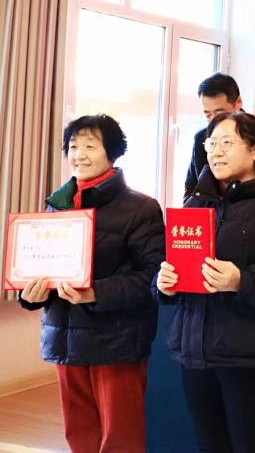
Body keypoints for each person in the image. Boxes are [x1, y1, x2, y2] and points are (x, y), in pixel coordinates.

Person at [156, 111, 255, 453]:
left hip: (250, 355)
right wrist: (165, 284)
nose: (216, 152)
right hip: (195, 350)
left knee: (248, 445)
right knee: (209, 445)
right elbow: (178, 268)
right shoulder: (195, 203)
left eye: (227, 143)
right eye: (211, 144)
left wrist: (242, 280)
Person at [20, 114, 163, 453]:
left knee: (120, 438)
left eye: (90, 146)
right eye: (73, 146)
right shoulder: (58, 206)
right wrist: (31, 294)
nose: (79, 154)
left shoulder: (141, 208)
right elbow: (43, 269)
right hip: (65, 337)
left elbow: (150, 278)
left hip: (117, 342)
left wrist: (95, 292)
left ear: (111, 152)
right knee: (80, 436)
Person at [183, 73, 255, 200]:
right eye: (208, 115)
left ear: (238, 103)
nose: (214, 120)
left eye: (219, 113)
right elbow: (192, 188)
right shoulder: (201, 138)